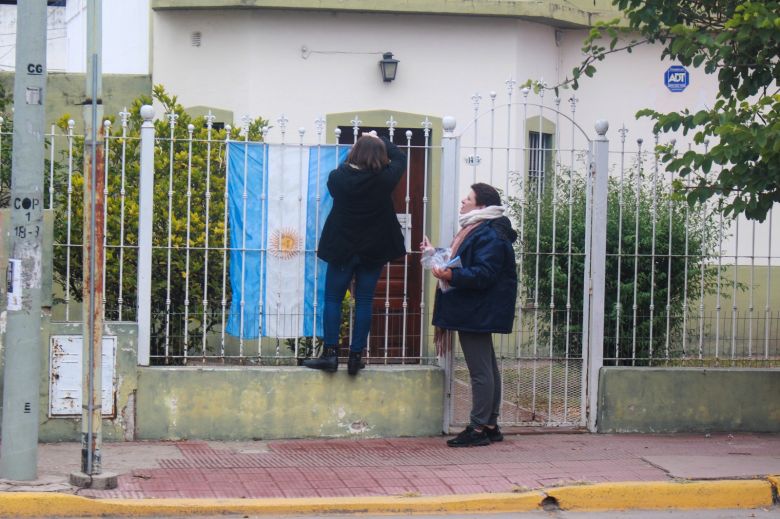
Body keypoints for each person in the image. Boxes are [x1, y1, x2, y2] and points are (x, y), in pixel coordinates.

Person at [303, 131, 407, 375]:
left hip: (342, 245)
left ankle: (330, 355)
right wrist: (380, 139)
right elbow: (399, 156)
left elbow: (342, 174)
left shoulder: (338, 177)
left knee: (332, 299)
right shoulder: (386, 179)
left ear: (354, 153)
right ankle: (355, 357)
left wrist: (361, 145)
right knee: (364, 300)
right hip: (374, 247)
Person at [423, 183, 518, 447]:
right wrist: (435, 254)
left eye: (468, 198)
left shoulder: (488, 233)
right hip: (477, 308)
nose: (462, 201)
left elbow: (483, 273)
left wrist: (450, 275)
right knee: (487, 367)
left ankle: (477, 429)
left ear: (482, 206)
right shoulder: (478, 228)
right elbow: (463, 260)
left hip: (477, 308)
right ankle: (490, 425)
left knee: (480, 370)